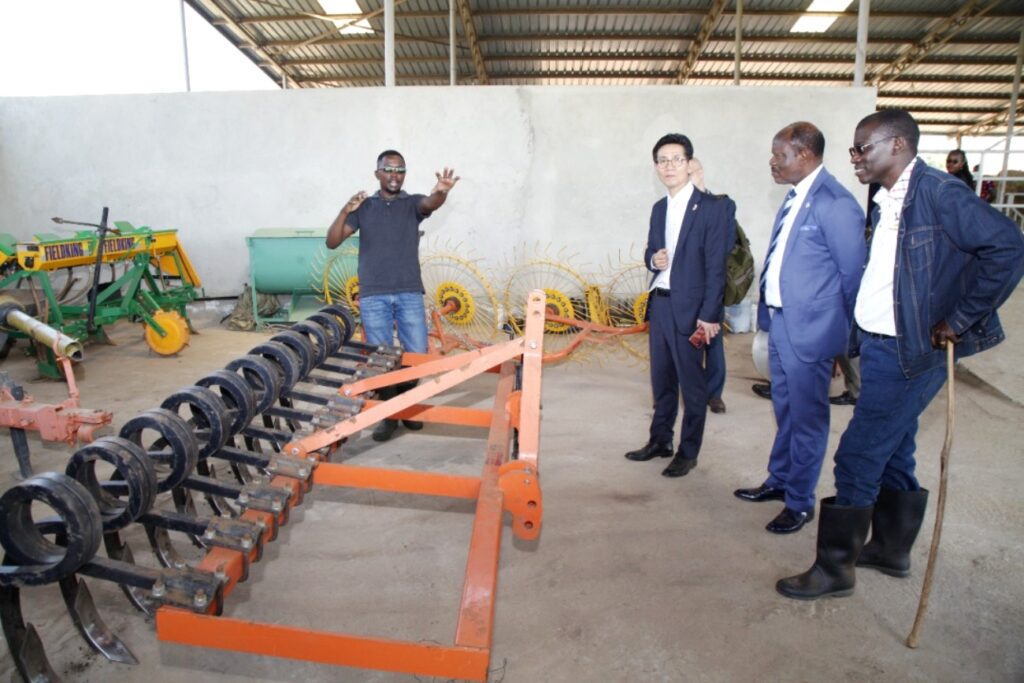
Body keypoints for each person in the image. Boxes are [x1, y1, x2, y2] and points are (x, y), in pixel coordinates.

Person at [777, 110, 1024, 599]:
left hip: (909, 350)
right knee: (895, 448)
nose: (855, 158)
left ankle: (835, 569)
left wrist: (959, 319)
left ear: (897, 146)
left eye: (862, 148)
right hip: (879, 342)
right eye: (853, 148)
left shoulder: (937, 191)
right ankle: (890, 550)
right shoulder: (888, 196)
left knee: (858, 455)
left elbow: (1008, 246)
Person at [735, 122, 866, 534]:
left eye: (780, 154)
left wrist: (840, 337)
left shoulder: (835, 203)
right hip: (781, 325)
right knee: (785, 410)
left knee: (807, 418)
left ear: (805, 154)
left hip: (810, 332)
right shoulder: (795, 199)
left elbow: (852, 275)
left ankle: (800, 501)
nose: (773, 161)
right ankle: (779, 480)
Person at [326, 149, 460, 442]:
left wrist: (441, 193)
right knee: (379, 357)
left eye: (400, 170)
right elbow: (332, 241)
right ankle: (388, 415)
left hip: (409, 290)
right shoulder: (365, 207)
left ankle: (407, 407)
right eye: (388, 170)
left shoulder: (412, 204)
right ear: (377, 173)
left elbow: (430, 202)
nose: (394, 175)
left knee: (416, 354)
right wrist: (345, 210)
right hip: (373, 294)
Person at [624, 134, 735, 477]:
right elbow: (650, 252)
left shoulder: (713, 207)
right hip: (660, 304)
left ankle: (688, 452)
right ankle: (660, 440)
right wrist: (651, 259)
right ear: (656, 167)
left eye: (676, 159)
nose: (669, 166)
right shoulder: (660, 208)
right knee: (662, 380)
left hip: (692, 310)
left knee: (693, 385)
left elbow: (717, 267)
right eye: (662, 160)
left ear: (689, 164)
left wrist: (709, 316)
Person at [689, 157, 732, 414]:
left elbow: (724, 245)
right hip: (684, 287)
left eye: (691, 172)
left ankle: (714, 393)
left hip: (710, 284)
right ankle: (688, 390)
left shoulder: (722, 205)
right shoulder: (675, 207)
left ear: (701, 173)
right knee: (684, 342)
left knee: (712, 342)